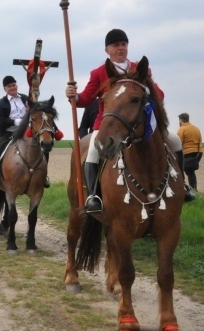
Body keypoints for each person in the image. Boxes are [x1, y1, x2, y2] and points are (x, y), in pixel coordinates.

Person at [65, 28, 194, 213]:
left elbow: (159, 93)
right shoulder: (99, 73)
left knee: (175, 141)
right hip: (108, 124)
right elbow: (85, 99)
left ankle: (183, 184)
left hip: (139, 124)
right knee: (93, 151)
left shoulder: (140, 69)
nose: (120, 48)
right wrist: (73, 96)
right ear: (107, 50)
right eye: (116, 45)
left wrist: (149, 93)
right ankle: (93, 196)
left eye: (123, 44)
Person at [0, 76, 53, 188]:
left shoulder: (25, 98)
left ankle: (44, 176)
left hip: (27, 131)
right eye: (9, 86)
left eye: (14, 85)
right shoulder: (1, 103)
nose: (12, 88)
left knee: (44, 148)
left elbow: (35, 111)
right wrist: (15, 122)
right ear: (5, 89)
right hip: (8, 131)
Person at [177, 113, 203, 191]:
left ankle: (184, 189)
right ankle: (194, 188)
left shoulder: (182, 129)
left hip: (186, 153)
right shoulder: (196, 129)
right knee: (191, 172)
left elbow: (178, 142)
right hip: (196, 153)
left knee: (181, 171)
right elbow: (200, 141)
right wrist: (200, 154)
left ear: (181, 120)